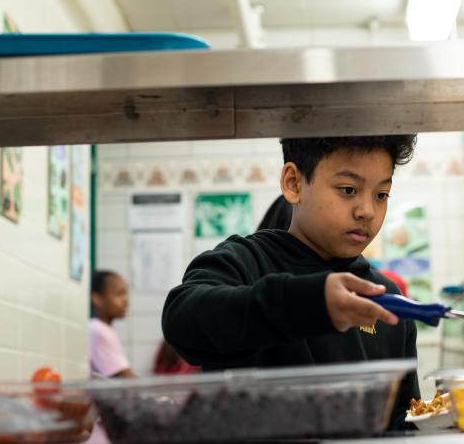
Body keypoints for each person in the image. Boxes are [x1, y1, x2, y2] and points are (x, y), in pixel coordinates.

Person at [163, 135, 420, 431]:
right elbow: (181, 320)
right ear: (294, 183)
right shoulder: (244, 261)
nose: (367, 211)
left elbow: (404, 417)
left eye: (381, 194)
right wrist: (310, 303)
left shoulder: (385, 296)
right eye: (348, 189)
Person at [89, 270, 135, 378]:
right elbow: (125, 377)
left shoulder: (104, 328)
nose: (126, 300)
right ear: (97, 299)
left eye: (125, 294)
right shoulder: (97, 330)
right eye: (119, 294)